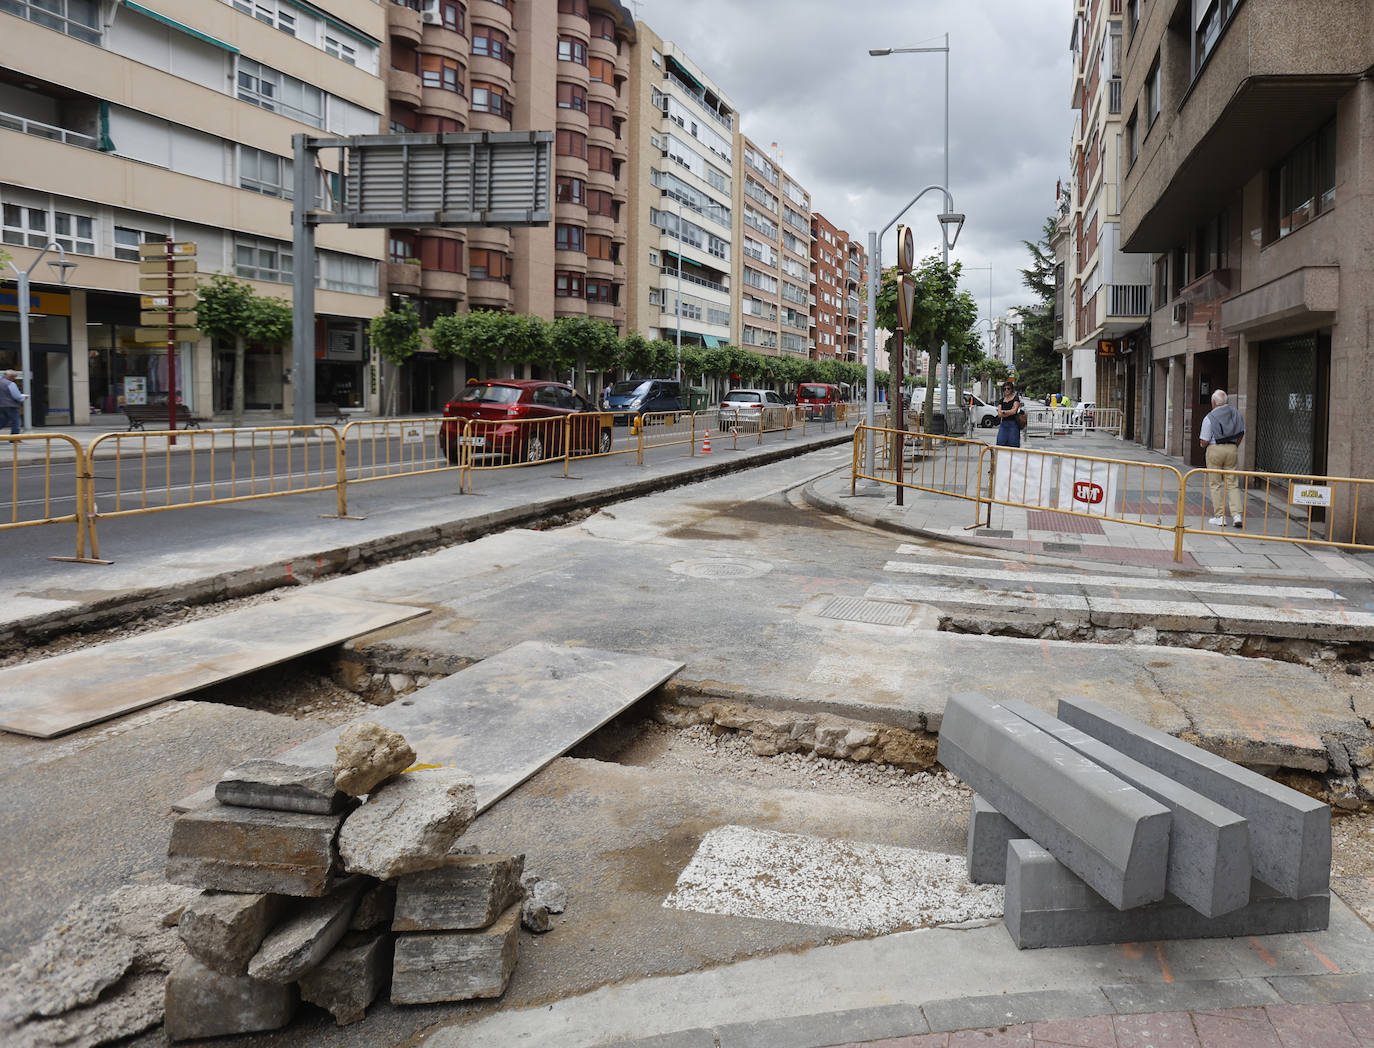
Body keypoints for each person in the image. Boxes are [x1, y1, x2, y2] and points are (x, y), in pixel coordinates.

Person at [1199, 388, 1246, 528]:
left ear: (1214, 402)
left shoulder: (1209, 417)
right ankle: (1237, 515)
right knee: (1232, 483)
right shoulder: (1235, 413)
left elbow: (1204, 440)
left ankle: (1220, 516)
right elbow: (1241, 432)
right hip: (1232, 449)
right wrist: (1235, 446)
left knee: (1216, 484)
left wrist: (1203, 445)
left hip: (1215, 449)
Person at [995, 380, 1023, 448]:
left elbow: (1014, 411)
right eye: (1004, 389)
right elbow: (999, 414)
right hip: (1004, 424)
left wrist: (1004, 412)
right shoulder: (1001, 400)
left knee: (1013, 444)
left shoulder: (1015, 398)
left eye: (1008, 388)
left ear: (1011, 389)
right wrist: (1009, 411)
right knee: (1000, 443)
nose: (1006, 390)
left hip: (1013, 424)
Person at [0, 369, 26, 435]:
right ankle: (14, 438)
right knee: (16, 421)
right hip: (11, 406)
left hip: (1, 406)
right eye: (14, 376)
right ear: (11, 376)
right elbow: (17, 396)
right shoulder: (11, 384)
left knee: (3, 421)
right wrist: (23, 397)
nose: (14, 378)